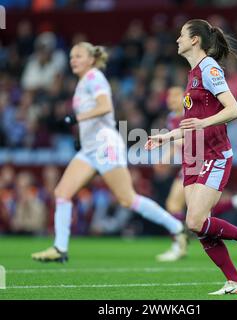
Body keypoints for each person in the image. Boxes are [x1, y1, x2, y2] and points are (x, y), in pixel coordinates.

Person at [31, 42, 187, 263]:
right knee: (62, 193)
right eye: (71, 56)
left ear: (91, 60)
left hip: (106, 147)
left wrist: (76, 118)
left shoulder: (94, 77)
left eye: (78, 56)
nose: (73, 60)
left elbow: (105, 107)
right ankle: (60, 248)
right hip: (90, 148)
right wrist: (80, 137)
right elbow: (94, 115)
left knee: (127, 199)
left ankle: (177, 227)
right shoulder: (83, 81)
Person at [145, 19, 237, 295]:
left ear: (195, 40)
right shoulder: (191, 75)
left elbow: (234, 110)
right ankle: (235, 282)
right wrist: (166, 137)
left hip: (214, 153)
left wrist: (203, 123)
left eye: (181, 35)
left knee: (194, 221)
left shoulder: (210, 69)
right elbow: (190, 125)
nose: (177, 39)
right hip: (194, 155)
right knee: (199, 226)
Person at [157, 86, 237, 262]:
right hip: (188, 161)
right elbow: (179, 143)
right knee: (198, 213)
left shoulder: (187, 113)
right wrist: (165, 157)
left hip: (198, 160)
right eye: (169, 95)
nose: (171, 99)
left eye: (175, 95)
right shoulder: (171, 118)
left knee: (179, 207)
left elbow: (193, 135)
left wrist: (168, 150)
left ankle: (179, 244)